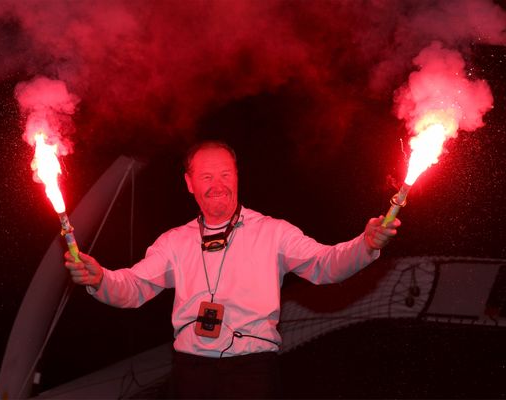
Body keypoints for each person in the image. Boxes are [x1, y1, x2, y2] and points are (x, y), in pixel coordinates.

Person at [64, 140, 401, 398]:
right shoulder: (174, 242)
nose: (218, 184)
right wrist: (101, 279)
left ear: (238, 176)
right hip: (190, 373)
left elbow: (325, 264)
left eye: (226, 174)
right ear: (189, 183)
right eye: (206, 176)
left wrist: (365, 244)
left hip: (253, 372)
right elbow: (134, 286)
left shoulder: (274, 232)